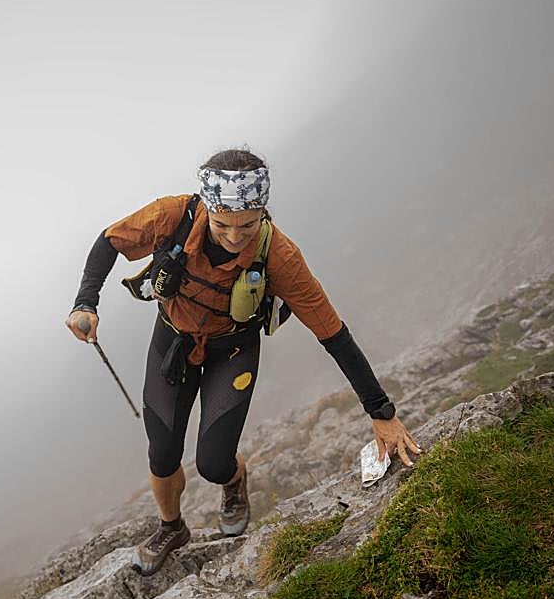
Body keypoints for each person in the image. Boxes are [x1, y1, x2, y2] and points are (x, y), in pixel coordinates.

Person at [66, 148, 422, 576]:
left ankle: (234, 483)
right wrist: (86, 302)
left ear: (263, 213)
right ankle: (172, 527)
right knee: (162, 453)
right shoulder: (172, 215)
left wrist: (381, 412)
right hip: (172, 341)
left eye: (247, 225)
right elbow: (110, 241)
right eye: (222, 225)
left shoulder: (280, 256)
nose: (235, 236)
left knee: (214, 463)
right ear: (207, 208)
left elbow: (332, 332)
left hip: (233, 350)